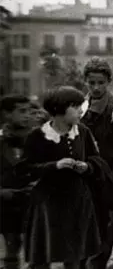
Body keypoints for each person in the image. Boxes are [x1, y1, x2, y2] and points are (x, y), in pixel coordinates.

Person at [19, 87, 113, 269]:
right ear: (59, 109)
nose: (81, 110)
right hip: (48, 203)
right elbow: (25, 169)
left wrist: (87, 167)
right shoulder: (38, 136)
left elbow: (96, 159)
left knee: (75, 255)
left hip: (77, 201)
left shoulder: (83, 131)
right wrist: (54, 165)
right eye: (76, 106)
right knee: (43, 255)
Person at [81, 58, 113, 269]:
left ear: (108, 81)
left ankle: (98, 264)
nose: (96, 87)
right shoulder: (80, 105)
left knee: (110, 223)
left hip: (112, 174)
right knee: (85, 227)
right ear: (86, 82)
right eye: (92, 83)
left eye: (101, 82)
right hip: (86, 175)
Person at [0, 94, 34, 269]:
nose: (27, 115)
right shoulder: (2, 139)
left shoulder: (35, 138)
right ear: (7, 114)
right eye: (21, 111)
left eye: (29, 111)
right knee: (12, 243)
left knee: (35, 245)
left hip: (31, 199)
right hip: (6, 200)